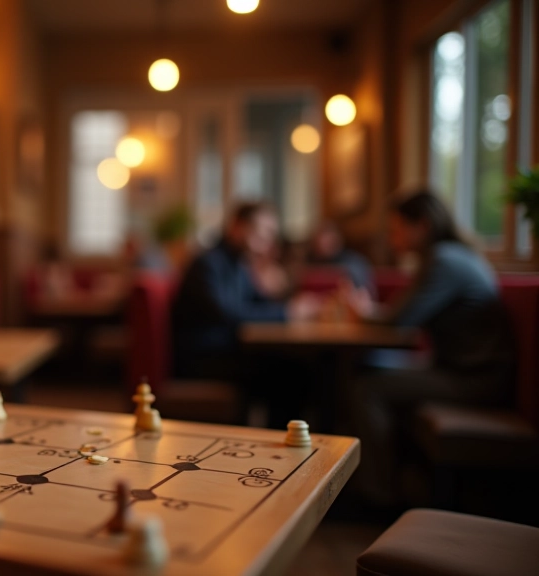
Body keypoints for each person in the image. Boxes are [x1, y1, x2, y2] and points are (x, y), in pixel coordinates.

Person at [342, 189, 515, 507]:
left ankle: (377, 497)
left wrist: (362, 311)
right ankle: (374, 479)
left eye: (396, 229)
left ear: (421, 226)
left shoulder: (444, 261)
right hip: (460, 369)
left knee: (367, 386)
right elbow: (400, 318)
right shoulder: (450, 256)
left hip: (476, 379)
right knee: (365, 367)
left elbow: (397, 321)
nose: (392, 237)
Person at [170, 202, 322, 427]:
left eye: (272, 234)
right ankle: (283, 446)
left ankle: (286, 443)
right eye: (263, 231)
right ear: (237, 227)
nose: (268, 240)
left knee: (299, 366)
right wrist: (287, 312)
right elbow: (228, 313)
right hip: (204, 358)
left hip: (228, 351)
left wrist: (290, 304)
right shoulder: (207, 263)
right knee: (290, 373)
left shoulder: (238, 264)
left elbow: (256, 302)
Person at [307, 220, 374, 292]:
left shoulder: (353, 263)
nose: (324, 243)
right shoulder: (310, 263)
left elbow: (364, 290)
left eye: (329, 239)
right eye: (321, 238)